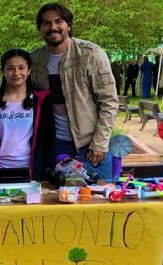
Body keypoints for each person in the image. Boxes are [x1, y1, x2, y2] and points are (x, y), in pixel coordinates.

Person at [30, 2, 118, 181]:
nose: (52, 27)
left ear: (68, 25)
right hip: (55, 146)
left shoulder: (91, 54)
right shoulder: (34, 60)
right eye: (46, 23)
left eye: (58, 21)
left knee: (96, 201)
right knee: (57, 200)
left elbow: (109, 102)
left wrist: (100, 143)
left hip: (90, 145)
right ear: (40, 28)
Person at [0, 49, 55, 179]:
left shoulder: (41, 100)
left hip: (31, 170)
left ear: (29, 70)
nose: (16, 73)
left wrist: (46, 171)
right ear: (3, 71)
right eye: (10, 68)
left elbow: (49, 139)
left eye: (21, 68)